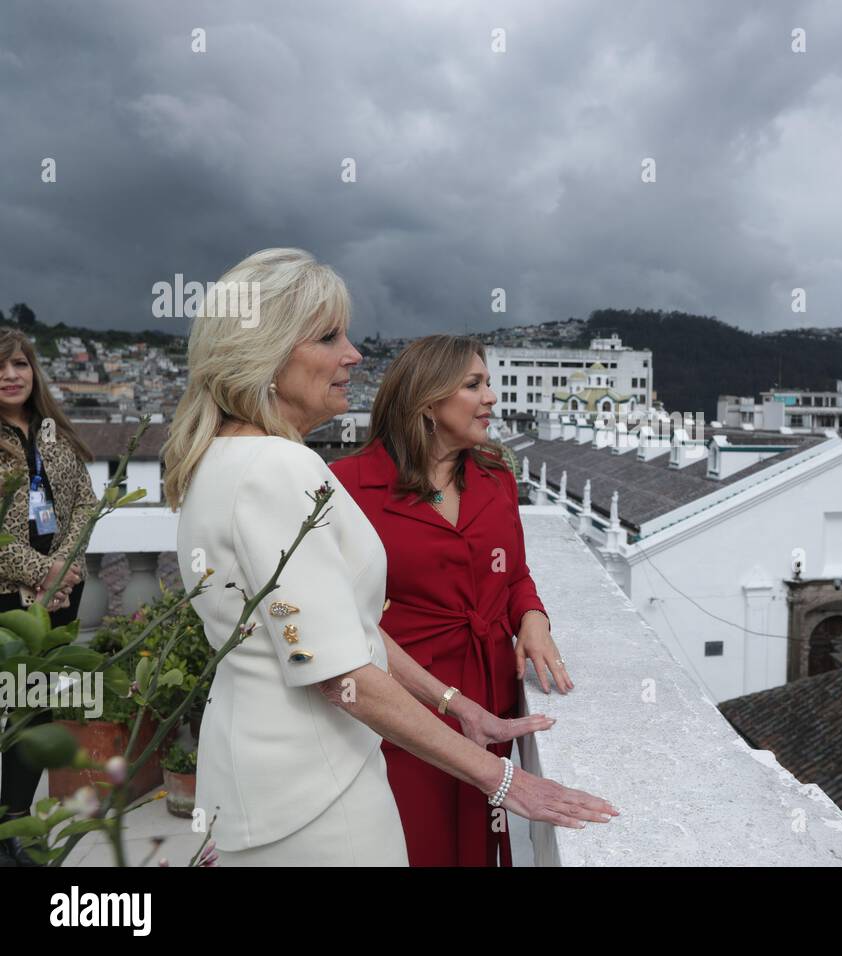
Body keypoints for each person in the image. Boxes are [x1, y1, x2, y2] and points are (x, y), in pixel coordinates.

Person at [163, 248, 616, 866]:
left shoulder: (214, 460)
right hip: (317, 789)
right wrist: (505, 780)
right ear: (265, 354)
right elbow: (339, 675)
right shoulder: (279, 467)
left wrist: (459, 708)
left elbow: (343, 630)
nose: (353, 354)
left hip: (262, 777)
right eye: (329, 337)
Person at [332, 335, 571, 866]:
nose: (491, 397)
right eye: (473, 385)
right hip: (404, 711)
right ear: (427, 401)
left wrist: (533, 617)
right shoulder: (347, 487)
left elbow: (514, 576)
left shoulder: (497, 476)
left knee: (482, 848)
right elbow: (344, 616)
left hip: (491, 699)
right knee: (419, 848)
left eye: (488, 382)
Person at [0, 328, 96, 867]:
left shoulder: (52, 432)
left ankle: (15, 827)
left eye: (19, 364)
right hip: (8, 599)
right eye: (0, 367)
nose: (11, 375)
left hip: (62, 596)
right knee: (10, 711)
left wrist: (67, 567)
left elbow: (85, 500)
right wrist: (47, 570)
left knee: (37, 713)